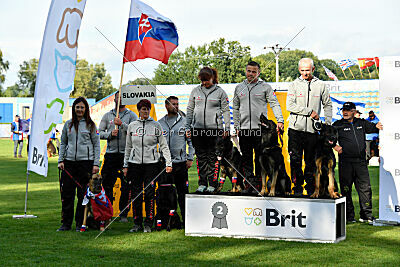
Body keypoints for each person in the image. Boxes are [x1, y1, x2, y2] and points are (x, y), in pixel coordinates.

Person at [233, 61, 284, 194]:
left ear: (258, 73)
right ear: (246, 71)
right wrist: (237, 125)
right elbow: (236, 108)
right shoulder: (239, 88)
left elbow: (274, 103)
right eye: (249, 71)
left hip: (260, 131)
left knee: (259, 159)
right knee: (246, 158)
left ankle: (260, 185)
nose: (251, 74)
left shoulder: (265, 87)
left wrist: (280, 120)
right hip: (244, 130)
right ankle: (250, 185)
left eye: (254, 71)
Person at [123, 99, 172, 233]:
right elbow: (128, 147)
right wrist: (125, 165)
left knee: (150, 193)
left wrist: (169, 162)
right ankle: (137, 223)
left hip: (152, 164)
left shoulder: (156, 125)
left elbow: (163, 145)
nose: (145, 111)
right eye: (143, 109)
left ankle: (148, 223)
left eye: (147, 109)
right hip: (135, 164)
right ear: (138, 110)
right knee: (136, 194)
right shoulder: (132, 126)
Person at [287, 58, 332, 197]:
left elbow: (327, 104)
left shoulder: (321, 85)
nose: (305, 73)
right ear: (299, 70)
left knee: (310, 162)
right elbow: (290, 106)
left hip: (312, 131)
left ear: (313, 69)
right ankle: (298, 187)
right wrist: (309, 112)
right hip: (295, 130)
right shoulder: (294, 85)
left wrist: (328, 123)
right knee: (295, 160)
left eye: (307, 70)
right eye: (302, 70)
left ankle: (312, 189)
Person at [333, 102, 382, 223]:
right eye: (344, 110)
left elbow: (375, 127)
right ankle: (349, 217)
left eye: (348, 110)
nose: (345, 112)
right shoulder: (337, 124)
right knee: (346, 189)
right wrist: (335, 146)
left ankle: (366, 215)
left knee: (365, 189)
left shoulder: (361, 123)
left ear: (354, 112)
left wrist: (379, 126)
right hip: (345, 163)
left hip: (361, 162)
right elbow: (326, 136)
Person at [57, 97, 101, 231]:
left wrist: (95, 164)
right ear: (74, 109)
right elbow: (63, 143)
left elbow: (96, 145)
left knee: (83, 195)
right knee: (67, 195)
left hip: (85, 164)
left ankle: (80, 223)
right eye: (77, 107)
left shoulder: (91, 125)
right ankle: (66, 223)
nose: (79, 110)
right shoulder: (68, 124)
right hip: (69, 164)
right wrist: (60, 160)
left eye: (82, 107)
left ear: (86, 109)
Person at [185, 67, 231, 193]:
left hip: (214, 131)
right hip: (197, 131)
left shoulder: (220, 92)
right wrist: (187, 127)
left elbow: (226, 110)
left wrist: (227, 127)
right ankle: (202, 183)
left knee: (213, 158)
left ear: (213, 78)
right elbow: (189, 110)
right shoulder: (195, 91)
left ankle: (212, 184)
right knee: (200, 158)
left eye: (207, 80)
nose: (204, 83)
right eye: (202, 80)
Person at [99, 91, 138, 222]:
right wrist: (110, 134)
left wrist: (122, 125)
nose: (120, 99)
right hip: (110, 155)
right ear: (114, 99)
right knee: (107, 184)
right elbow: (99, 133)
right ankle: (108, 212)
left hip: (126, 155)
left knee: (126, 185)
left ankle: (123, 213)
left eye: (122, 97)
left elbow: (136, 132)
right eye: (118, 97)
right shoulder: (107, 115)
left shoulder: (132, 115)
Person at [159, 96, 195, 224]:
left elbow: (191, 143)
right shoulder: (160, 123)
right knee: (165, 193)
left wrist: (190, 158)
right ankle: (166, 219)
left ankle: (187, 220)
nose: (176, 106)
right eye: (173, 104)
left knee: (183, 193)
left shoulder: (185, 122)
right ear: (166, 106)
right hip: (165, 164)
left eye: (177, 104)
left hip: (181, 163)